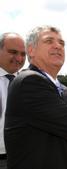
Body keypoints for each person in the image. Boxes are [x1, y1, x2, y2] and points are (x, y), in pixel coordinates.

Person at [4, 25, 67, 169]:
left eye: (61, 43)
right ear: (31, 50)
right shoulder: (29, 82)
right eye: (49, 41)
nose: (58, 46)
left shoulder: (63, 90)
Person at [0, 32, 26, 169]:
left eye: (23, 54)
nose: (19, 58)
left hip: (22, 158)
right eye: (13, 52)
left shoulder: (30, 84)